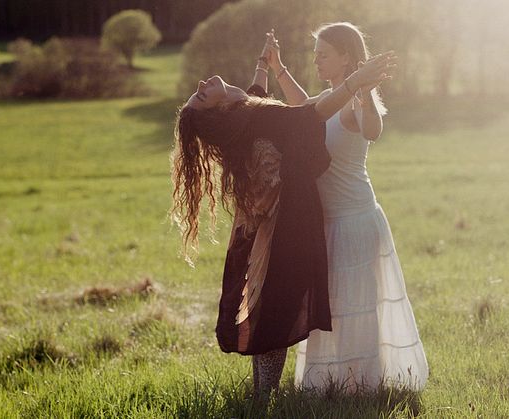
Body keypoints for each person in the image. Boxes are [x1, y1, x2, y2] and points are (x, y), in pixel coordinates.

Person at [170, 47, 397, 395]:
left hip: (274, 218)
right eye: (202, 95)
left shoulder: (246, 113)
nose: (203, 83)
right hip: (287, 220)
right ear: (221, 110)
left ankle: (262, 393)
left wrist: (265, 65)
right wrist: (355, 82)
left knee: (268, 302)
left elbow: (255, 96)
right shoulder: (253, 117)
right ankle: (264, 396)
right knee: (277, 307)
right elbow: (312, 114)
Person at [263, 23, 429, 392]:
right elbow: (301, 109)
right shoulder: (328, 99)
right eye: (315, 54)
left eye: (323, 54)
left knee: (357, 308)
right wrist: (277, 67)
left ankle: (363, 387)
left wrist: (365, 91)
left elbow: (372, 129)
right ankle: (332, 385)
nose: (317, 61)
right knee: (332, 309)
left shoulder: (356, 103)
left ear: (345, 58)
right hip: (327, 222)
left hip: (355, 221)